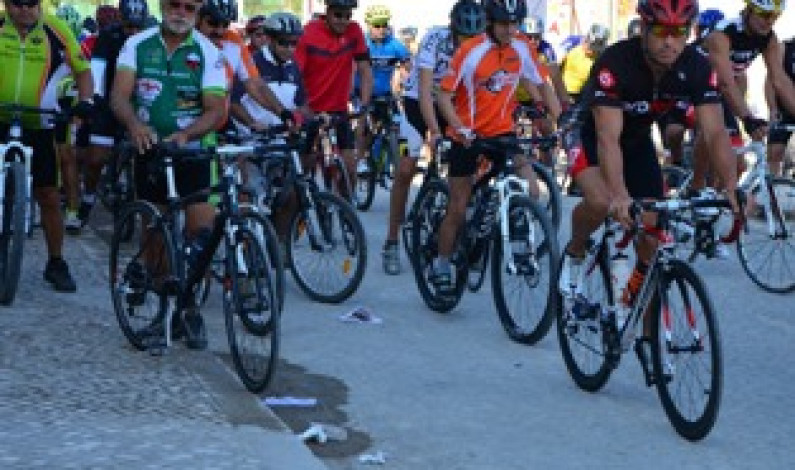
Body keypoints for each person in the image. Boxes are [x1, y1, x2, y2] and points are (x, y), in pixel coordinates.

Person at [559, 0, 740, 310]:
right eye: (660, 31)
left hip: (636, 139)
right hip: (589, 132)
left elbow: (715, 132)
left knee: (653, 234)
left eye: (679, 32)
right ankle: (575, 253)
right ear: (643, 28)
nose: (670, 41)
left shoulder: (696, 65)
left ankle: (640, 323)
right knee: (601, 202)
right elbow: (607, 137)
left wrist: (732, 187)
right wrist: (619, 195)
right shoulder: (616, 61)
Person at [111, 0, 227, 350]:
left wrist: (188, 134)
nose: (180, 12)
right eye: (174, 5)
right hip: (150, 149)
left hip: (192, 150)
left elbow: (216, 109)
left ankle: (188, 309)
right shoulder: (138, 44)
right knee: (157, 231)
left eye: (189, 7)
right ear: (163, 6)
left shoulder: (208, 51)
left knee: (201, 232)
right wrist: (134, 125)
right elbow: (119, 95)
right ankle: (160, 309)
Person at [430, 0, 556, 291]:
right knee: (458, 207)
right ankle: (442, 262)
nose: (511, 29)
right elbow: (443, 95)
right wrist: (460, 128)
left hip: (504, 133)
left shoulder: (522, 46)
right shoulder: (471, 50)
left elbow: (543, 84)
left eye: (515, 23)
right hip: (468, 136)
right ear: (489, 22)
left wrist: (561, 123)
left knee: (532, 189)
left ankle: (521, 243)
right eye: (504, 24)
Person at [382, 0, 486, 276]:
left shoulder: (483, 45)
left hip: (452, 104)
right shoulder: (434, 39)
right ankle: (392, 240)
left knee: (468, 172)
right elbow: (427, 89)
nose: (467, 43)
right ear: (452, 29)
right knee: (405, 169)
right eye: (463, 37)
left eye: (473, 38)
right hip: (418, 103)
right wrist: (435, 133)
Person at [0, 0, 94, 291]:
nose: (25, 10)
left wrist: (85, 102)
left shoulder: (58, 30)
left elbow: (83, 71)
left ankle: (56, 262)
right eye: (17, 3)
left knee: (49, 195)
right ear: (6, 4)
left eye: (32, 3)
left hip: (39, 123)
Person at [701, 0, 795, 181]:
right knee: (714, 133)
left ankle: (721, 201)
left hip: (723, 90)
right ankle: (696, 187)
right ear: (749, 10)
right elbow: (726, 82)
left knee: (738, 165)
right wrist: (748, 119)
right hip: (695, 88)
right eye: (764, 14)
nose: (769, 21)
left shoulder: (769, 38)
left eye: (775, 16)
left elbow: (780, 80)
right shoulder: (723, 33)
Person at [79, 0, 149, 227]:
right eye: (129, 27)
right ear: (121, 19)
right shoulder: (109, 36)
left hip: (139, 103)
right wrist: (94, 97)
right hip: (108, 101)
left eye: (138, 28)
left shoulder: (152, 37)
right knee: (96, 158)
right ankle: (88, 198)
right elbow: (97, 67)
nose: (133, 32)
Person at [295, 0, 373, 199]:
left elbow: (365, 70)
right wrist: (303, 109)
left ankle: (346, 215)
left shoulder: (354, 31)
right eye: (338, 15)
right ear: (327, 13)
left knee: (350, 169)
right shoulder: (308, 33)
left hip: (339, 109)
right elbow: (296, 75)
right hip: (310, 109)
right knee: (305, 168)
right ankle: (301, 210)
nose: (344, 21)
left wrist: (364, 105)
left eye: (348, 16)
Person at [197, 0, 292, 128]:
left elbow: (255, 84)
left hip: (218, 125)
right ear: (198, 19)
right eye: (212, 23)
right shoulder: (186, 40)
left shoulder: (234, 41)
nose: (220, 31)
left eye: (225, 24)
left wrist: (283, 113)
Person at [355, 4, 410, 177]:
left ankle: (402, 160)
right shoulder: (361, 44)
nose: (381, 29)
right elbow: (349, 69)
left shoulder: (395, 46)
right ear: (369, 25)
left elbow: (410, 69)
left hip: (385, 94)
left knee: (400, 126)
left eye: (384, 24)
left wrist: (412, 87)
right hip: (362, 92)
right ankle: (361, 159)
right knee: (364, 124)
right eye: (377, 25)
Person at [518, 15, 568, 110]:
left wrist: (565, 101)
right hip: (513, 97)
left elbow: (556, 77)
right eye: (529, 37)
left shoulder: (546, 48)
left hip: (536, 97)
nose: (533, 41)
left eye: (537, 37)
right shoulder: (514, 47)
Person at [767, 35, 795, 176]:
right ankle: (772, 191)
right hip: (784, 108)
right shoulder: (785, 47)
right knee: (775, 153)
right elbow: (770, 81)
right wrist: (773, 108)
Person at [560, 23, 610, 104]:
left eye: (594, 47)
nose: (589, 48)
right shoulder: (573, 42)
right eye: (588, 42)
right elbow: (554, 66)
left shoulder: (604, 55)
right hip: (564, 93)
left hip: (585, 96)